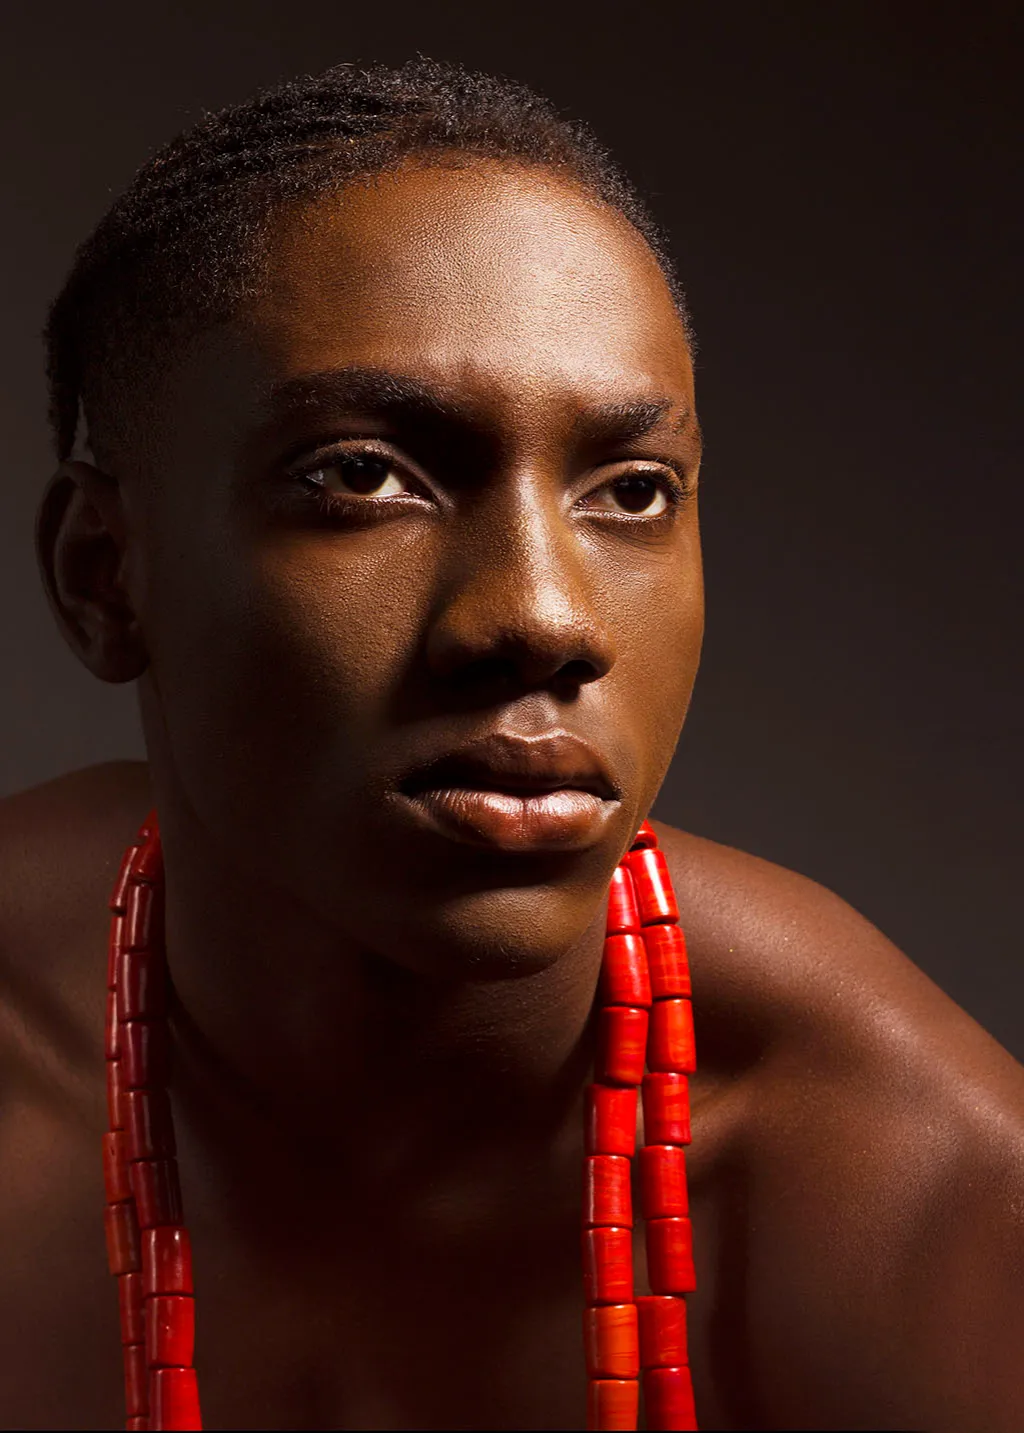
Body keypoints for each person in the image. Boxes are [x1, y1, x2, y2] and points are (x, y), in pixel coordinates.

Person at [1, 57, 1020, 1431]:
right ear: (104, 575)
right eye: (364, 476)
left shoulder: (919, 1200)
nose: (545, 615)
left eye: (633, 491)